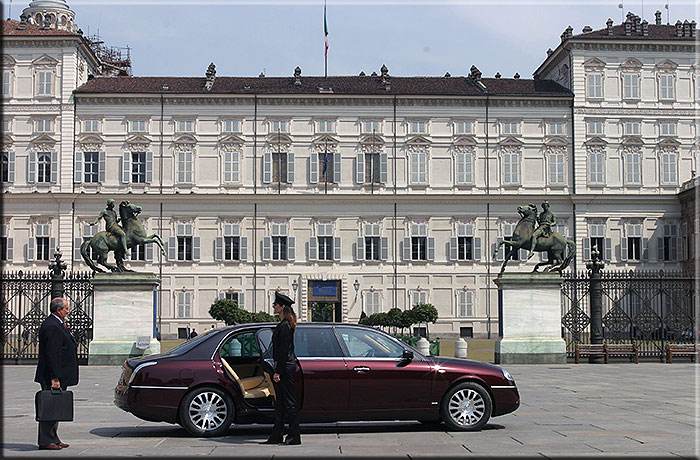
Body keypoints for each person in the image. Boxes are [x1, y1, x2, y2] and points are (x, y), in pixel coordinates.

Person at [34, 298, 78, 451]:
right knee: (49, 407)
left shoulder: (57, 323)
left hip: (58, 374)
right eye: (66, 308)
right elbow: (53, 353)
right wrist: (55, 377)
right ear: (59, 310)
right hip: (51, 376)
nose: (68, 311)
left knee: (56, 406)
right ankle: (46, 440)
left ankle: (53, 437)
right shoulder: (52, 326)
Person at [261, 291, 300, 445]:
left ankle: (293, 436)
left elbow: (283, 351)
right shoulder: (285, 324)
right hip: (285, 366)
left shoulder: (284, 326)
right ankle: (277, 435)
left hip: (285, 367)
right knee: (281, 403)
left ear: (282, 307)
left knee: (289, 403)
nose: (273, 306)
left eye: (275, 304)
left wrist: (278, 372)